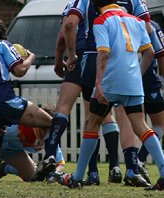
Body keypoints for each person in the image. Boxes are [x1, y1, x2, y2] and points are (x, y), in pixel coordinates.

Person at [56, 0, 164, 191]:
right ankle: (163, 173)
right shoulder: (136, 21)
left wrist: (99, 83)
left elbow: (103, 55)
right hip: (132, 83)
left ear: (96, 6)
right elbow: (150, 53)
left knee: (93, 123)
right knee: (141, 126)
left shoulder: (101, 21)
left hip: (110, 82)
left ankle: (78, 177)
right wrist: (136, 76)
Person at [0, 15, 54, 181]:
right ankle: (50, 161)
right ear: (1, 32)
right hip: (3, 100)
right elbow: (20, 70)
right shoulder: (1, 45)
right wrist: (30, 56)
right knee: (53, 122)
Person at [54, 0, 121, 186]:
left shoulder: (81, 3)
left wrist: (69, 55)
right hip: (120, 62)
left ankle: (89, 172)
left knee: (89, 116)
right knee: (110, 115)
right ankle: (119, 166)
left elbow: (67, 26)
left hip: (90, 55)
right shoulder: (126, 7)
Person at [137, 20, 164, 184]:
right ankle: (138, 161)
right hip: (147, 81)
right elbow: (160, 54)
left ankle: (110, 168)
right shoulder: (150, 25)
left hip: (120, 80)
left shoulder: (113, 20)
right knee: (159, 124)